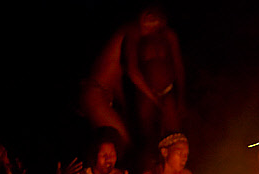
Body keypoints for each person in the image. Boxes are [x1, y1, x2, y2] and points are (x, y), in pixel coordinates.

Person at [79, 3, 185, 150]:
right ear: (142, 18)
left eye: (155, 26)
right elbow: (132, 71)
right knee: (121, 142)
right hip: (95, 93)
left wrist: (127, 108)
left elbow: (118, 79)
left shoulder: (139, 38)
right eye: (149, 23)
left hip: (102, 93)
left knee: (123, 141)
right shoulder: (131, 30)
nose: (150, 29)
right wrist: (153, 99)